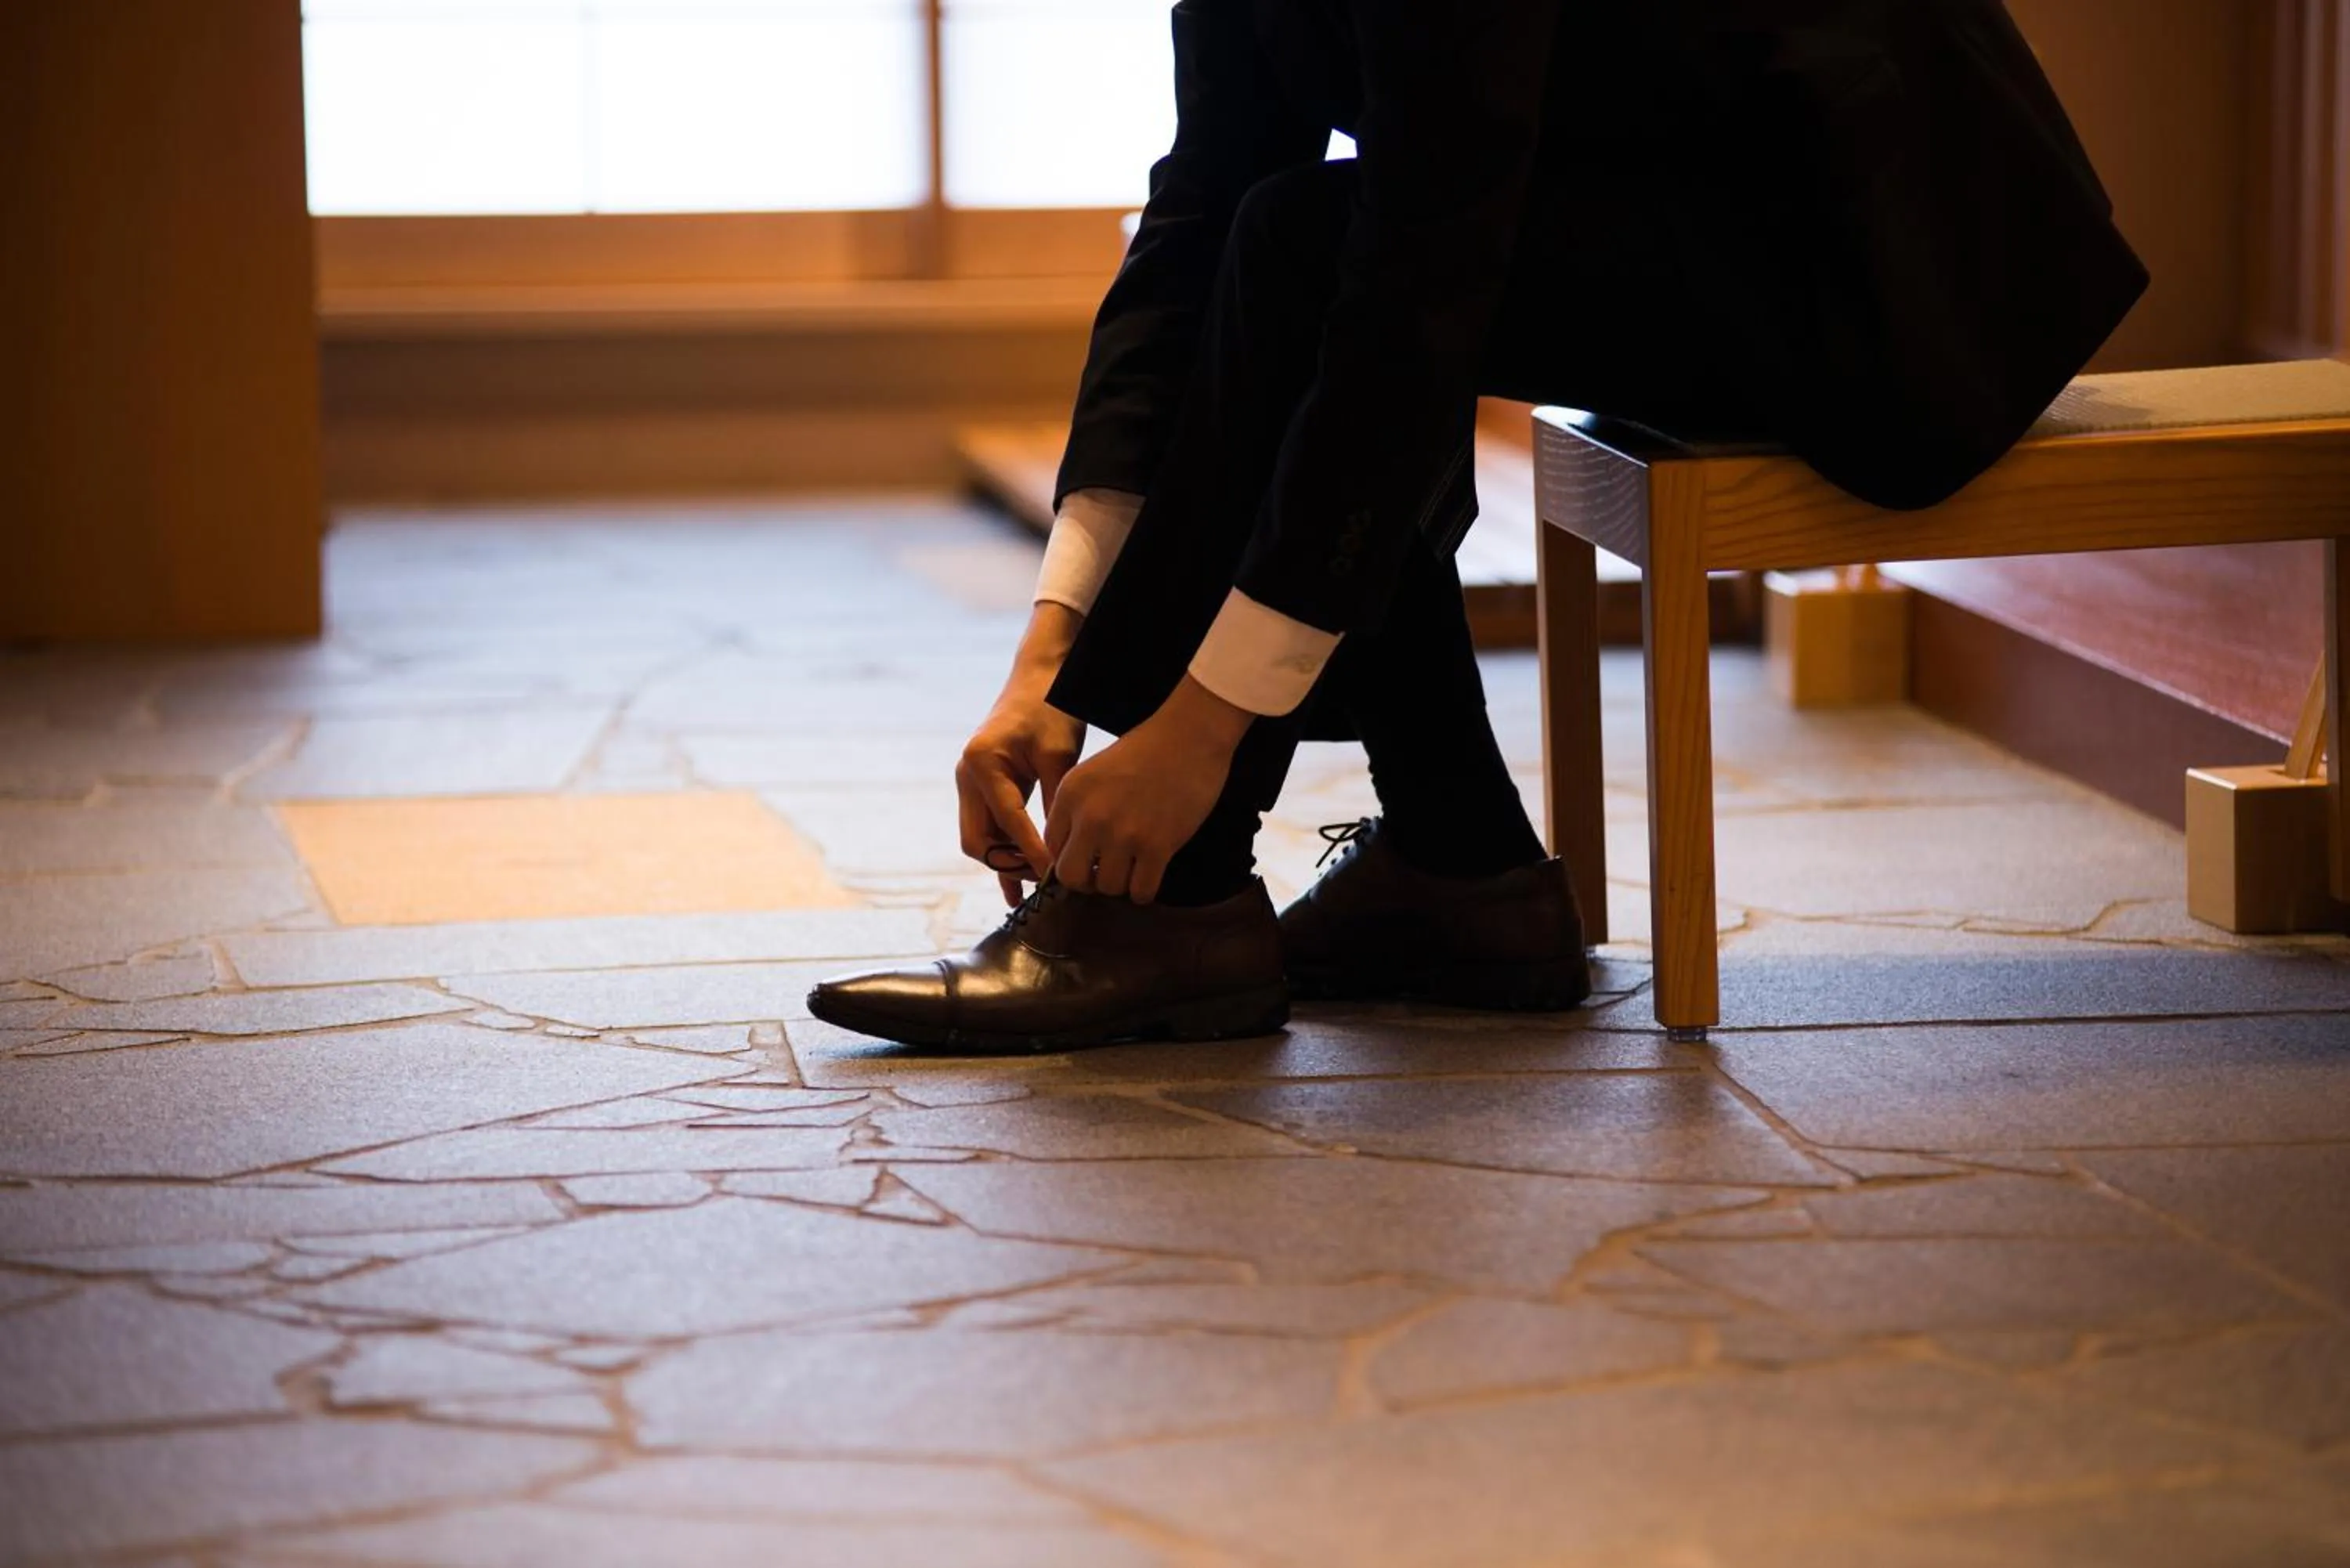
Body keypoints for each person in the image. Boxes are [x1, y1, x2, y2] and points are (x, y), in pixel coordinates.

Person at [808, 0, 2147, 1051]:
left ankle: (1174, 900)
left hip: (1894, 266)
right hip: (1687, 174)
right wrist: (1048, 665)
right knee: (1270, 236)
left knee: (1320, 260)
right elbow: (1196, 213)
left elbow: (1418, 284)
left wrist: (1196, 734)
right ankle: (1460, 869)